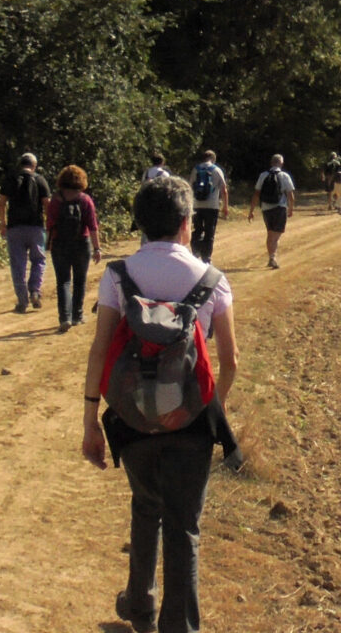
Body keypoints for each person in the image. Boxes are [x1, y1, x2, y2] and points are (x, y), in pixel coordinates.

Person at [81, 176, 239, 633]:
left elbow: (99, 350)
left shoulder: (118, 276)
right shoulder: (212, 280)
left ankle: (140, 608)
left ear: (140, 224)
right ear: (187, 222)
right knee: (183, 526)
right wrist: (206, 409)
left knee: (145, 504)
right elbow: (230, 360)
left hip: (132, 418)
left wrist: (91, 421)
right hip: (190, 423)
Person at [46, 165, 102, 333]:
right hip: (81, 243)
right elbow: (93, 226)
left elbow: (49, 225)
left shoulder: (55, 200)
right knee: (80, 280)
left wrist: (48, 244)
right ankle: (77, 315)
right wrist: (97, 248)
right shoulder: (85, 200)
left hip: (59, 243)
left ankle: (65, 317)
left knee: (63, 281)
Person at [0, 153, 51, 313]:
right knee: (39, 260)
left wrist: (3, 223)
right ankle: (35, 290)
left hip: (15, 228)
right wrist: (49, 225)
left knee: (18, 264)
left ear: (20, 164)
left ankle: (22, 300)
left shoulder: (10, 179)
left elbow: (2, 203)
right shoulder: (40, 180)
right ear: (34, 166)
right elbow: (47, 204)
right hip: (36, 228)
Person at [246, 154, 295, 269]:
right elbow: (290, 195)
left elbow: (256, 194)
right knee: (275, 235)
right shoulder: (284, 176)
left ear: (271, 163)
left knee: (270, 233)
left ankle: (271, 257)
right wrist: (291, 208)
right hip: (280, 207)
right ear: (281, 163)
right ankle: (272, 258)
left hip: (266, 208)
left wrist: (251, 211)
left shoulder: (263, 175)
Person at [187, 150, 228, 263]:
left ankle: (196, 252)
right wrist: (225, 207)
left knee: (197, 229)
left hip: (197, 205)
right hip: (212, 206)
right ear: (213, 159)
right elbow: (224, 190)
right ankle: (206, 257)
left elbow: (189, 187)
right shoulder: (217, 170)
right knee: (209, 231)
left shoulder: (196, 169)